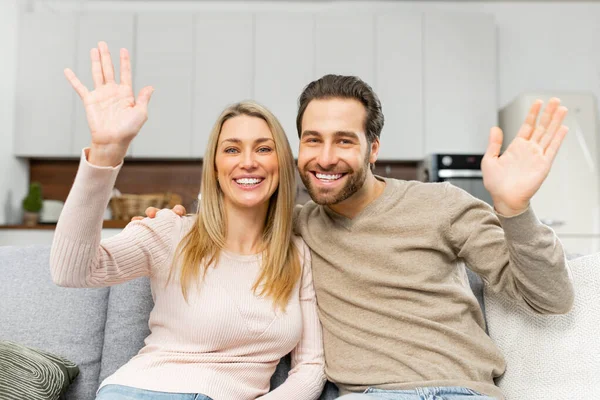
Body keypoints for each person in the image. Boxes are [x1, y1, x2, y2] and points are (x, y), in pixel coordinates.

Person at [153, 74, 574, 400]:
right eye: (313, 140)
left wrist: (516, 211)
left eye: (344, 141)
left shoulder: (442, 204)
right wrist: (171, 220)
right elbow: (223, 227)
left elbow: (550, 297)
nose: (326, 157)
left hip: (457, 390)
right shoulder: (295, 228)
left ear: (373, 149)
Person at [50, 41, 325, 400]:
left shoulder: (298, 255)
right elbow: (71, 272)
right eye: (231, 149)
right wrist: (106, 153)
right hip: (143, 390)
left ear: (281, 163)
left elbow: (311, 369)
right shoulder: (171, 231)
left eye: (263, 148)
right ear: (214, 166)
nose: (247, 162)